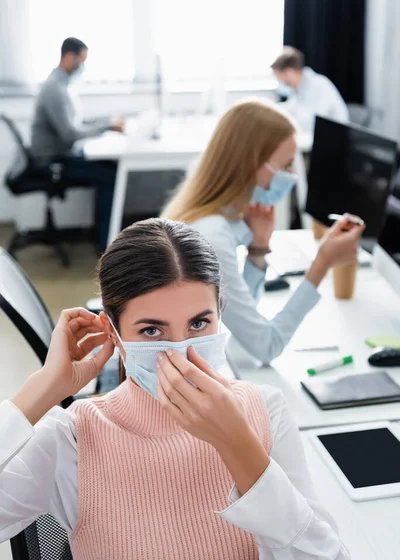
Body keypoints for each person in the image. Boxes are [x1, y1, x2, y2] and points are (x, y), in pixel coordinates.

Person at [0, 218, 350, 559]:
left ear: (219, 315)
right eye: (152, 331)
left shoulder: (266, 410)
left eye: (199, 323)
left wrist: (237, 445)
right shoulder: (72, 439)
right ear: (114, 335)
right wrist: (43, 388)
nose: (179, 351)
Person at [162, 100, 364, 365]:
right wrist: (322, 264)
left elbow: (239, 319)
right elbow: (265, 346)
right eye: (287, 165)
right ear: (250, 165)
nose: (292, 175)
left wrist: (257, 249)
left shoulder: (206, 217)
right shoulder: (212, 237)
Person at [31, 37, 125, 250]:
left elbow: (76, 124)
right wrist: (107, 127)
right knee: (111, 175)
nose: (82, 66)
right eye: (81, 60)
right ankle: (106, 243)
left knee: (110, 167)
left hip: (61, 154)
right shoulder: (55, 88)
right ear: (69, 56)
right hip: (53, 161)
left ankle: (102, 234)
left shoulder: (62, 84)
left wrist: (106, 122)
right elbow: (70, 134)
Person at [271, 47, 349, 134]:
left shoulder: (319, 85)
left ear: (289, 72)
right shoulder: (298, 87)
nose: (278, 80)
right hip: (314, 134)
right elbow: (291, 107)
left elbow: (312, 121)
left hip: (332, 136)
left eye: (277, 76)